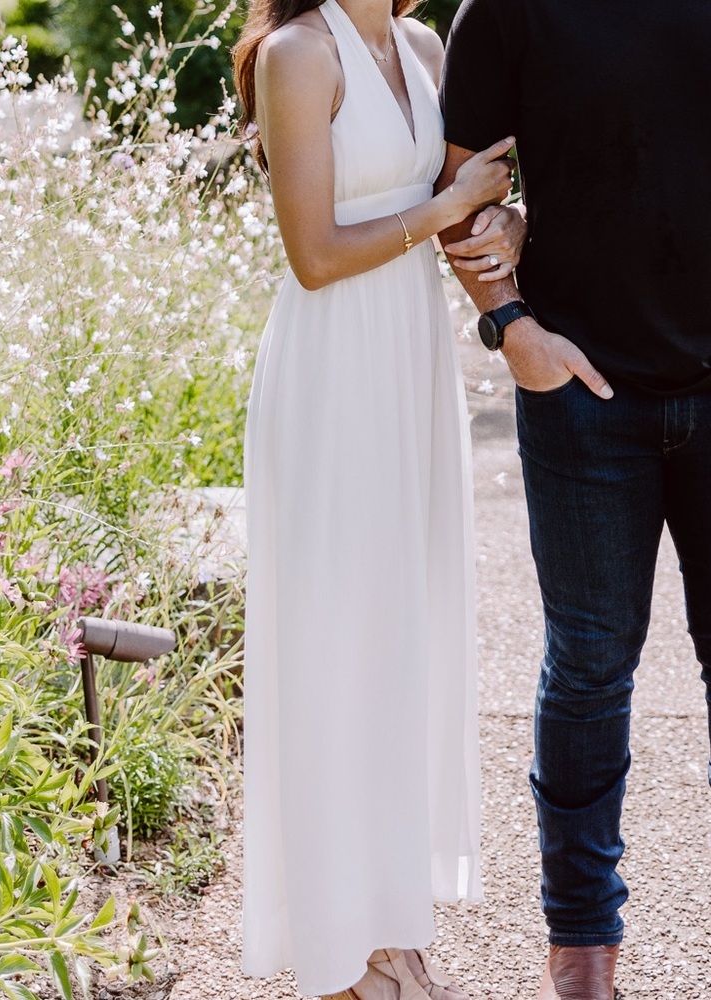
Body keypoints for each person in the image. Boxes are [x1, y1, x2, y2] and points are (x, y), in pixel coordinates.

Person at [233, 1, 525, 997]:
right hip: (330, 372)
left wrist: (497, 218)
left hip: (407, 363)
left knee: (398, 639)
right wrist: (447, 210)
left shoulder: (422, 45)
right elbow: (312, 256)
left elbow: (462, 196)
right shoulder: (295, 54)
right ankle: (341, 944)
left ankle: (392, 923)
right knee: (332, 643)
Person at [436, 3, 711, 999]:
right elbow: (463, 184)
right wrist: (510, 326)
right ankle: (582, 946)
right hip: (584, 393)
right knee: (590, 666)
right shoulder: (504, 10)